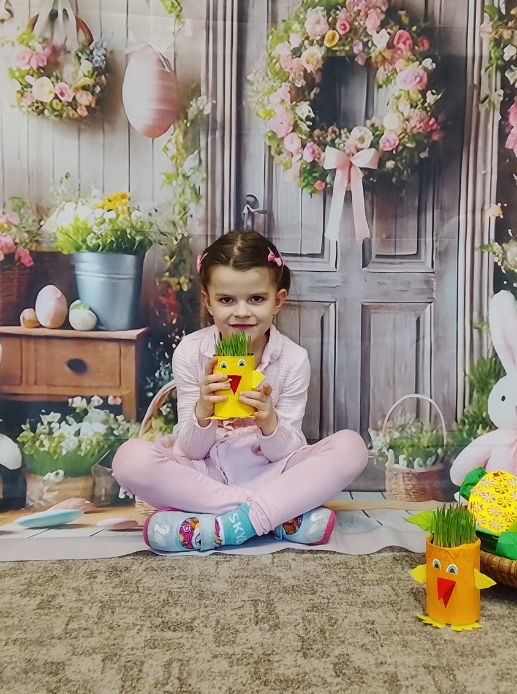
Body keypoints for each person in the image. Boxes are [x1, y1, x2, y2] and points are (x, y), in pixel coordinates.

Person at [113, 229, 369, 551]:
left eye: (256, 299)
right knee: (129, 459)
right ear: (208, 301)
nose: (242, 312)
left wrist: (269, 423)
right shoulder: (191, 352)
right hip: (203, 478)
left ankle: (223, 526)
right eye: (227, 300)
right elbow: (190, 451)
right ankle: (273, 516)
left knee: (351, 447)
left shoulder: (293, 359)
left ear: (278, 301)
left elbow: (285, 453)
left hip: (273, 474)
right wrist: (203, 411)